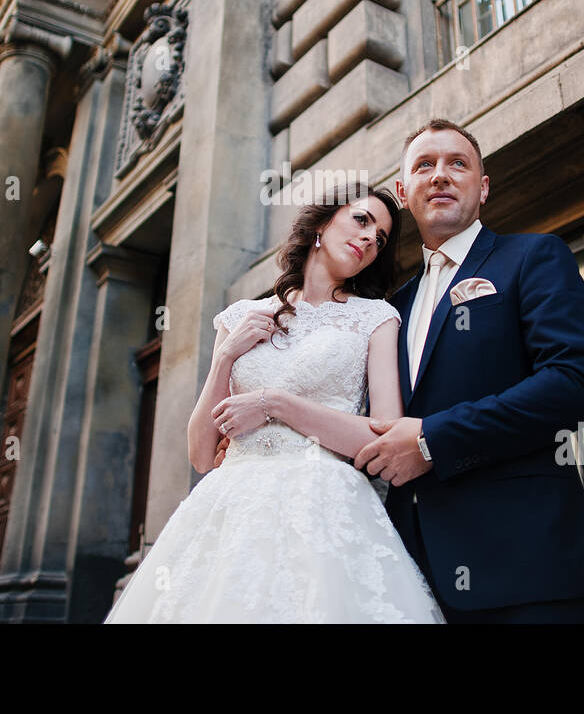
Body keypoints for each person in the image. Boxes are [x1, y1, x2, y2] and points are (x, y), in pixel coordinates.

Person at [104, 182, 444, 623]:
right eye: (361, 220)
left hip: (323, 505)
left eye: (379, 238)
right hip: (230, 508)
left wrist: (275, 404)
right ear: (321, 224)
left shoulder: (375, 318)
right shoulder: (241, 317)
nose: (368, 239)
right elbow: (202, 454)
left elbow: (383, 436)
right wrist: (225, 356)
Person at [353, 118, 584, 623]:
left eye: (458, 163)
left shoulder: (533, 257)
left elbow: (576, 384)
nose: (441, 175)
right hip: (414, 577)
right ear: (404, 193)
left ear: (483, 186)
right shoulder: (391, 308)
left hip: (527, 568)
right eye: (425, 165)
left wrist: (433, 438)